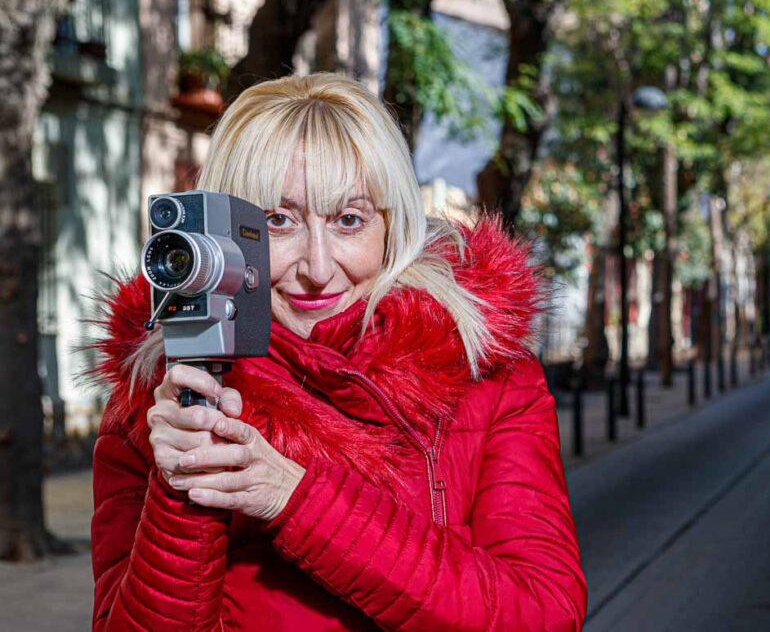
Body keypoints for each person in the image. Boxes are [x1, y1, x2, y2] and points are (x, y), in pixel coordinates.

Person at [89, 73, 587, 631]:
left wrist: (295, 499)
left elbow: (542, 614)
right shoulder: (156, 402)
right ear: (227, 230)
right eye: (278, 221)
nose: (318, 269)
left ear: (391, 227)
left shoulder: (486, 374)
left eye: (349, 219)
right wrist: (182, 484)